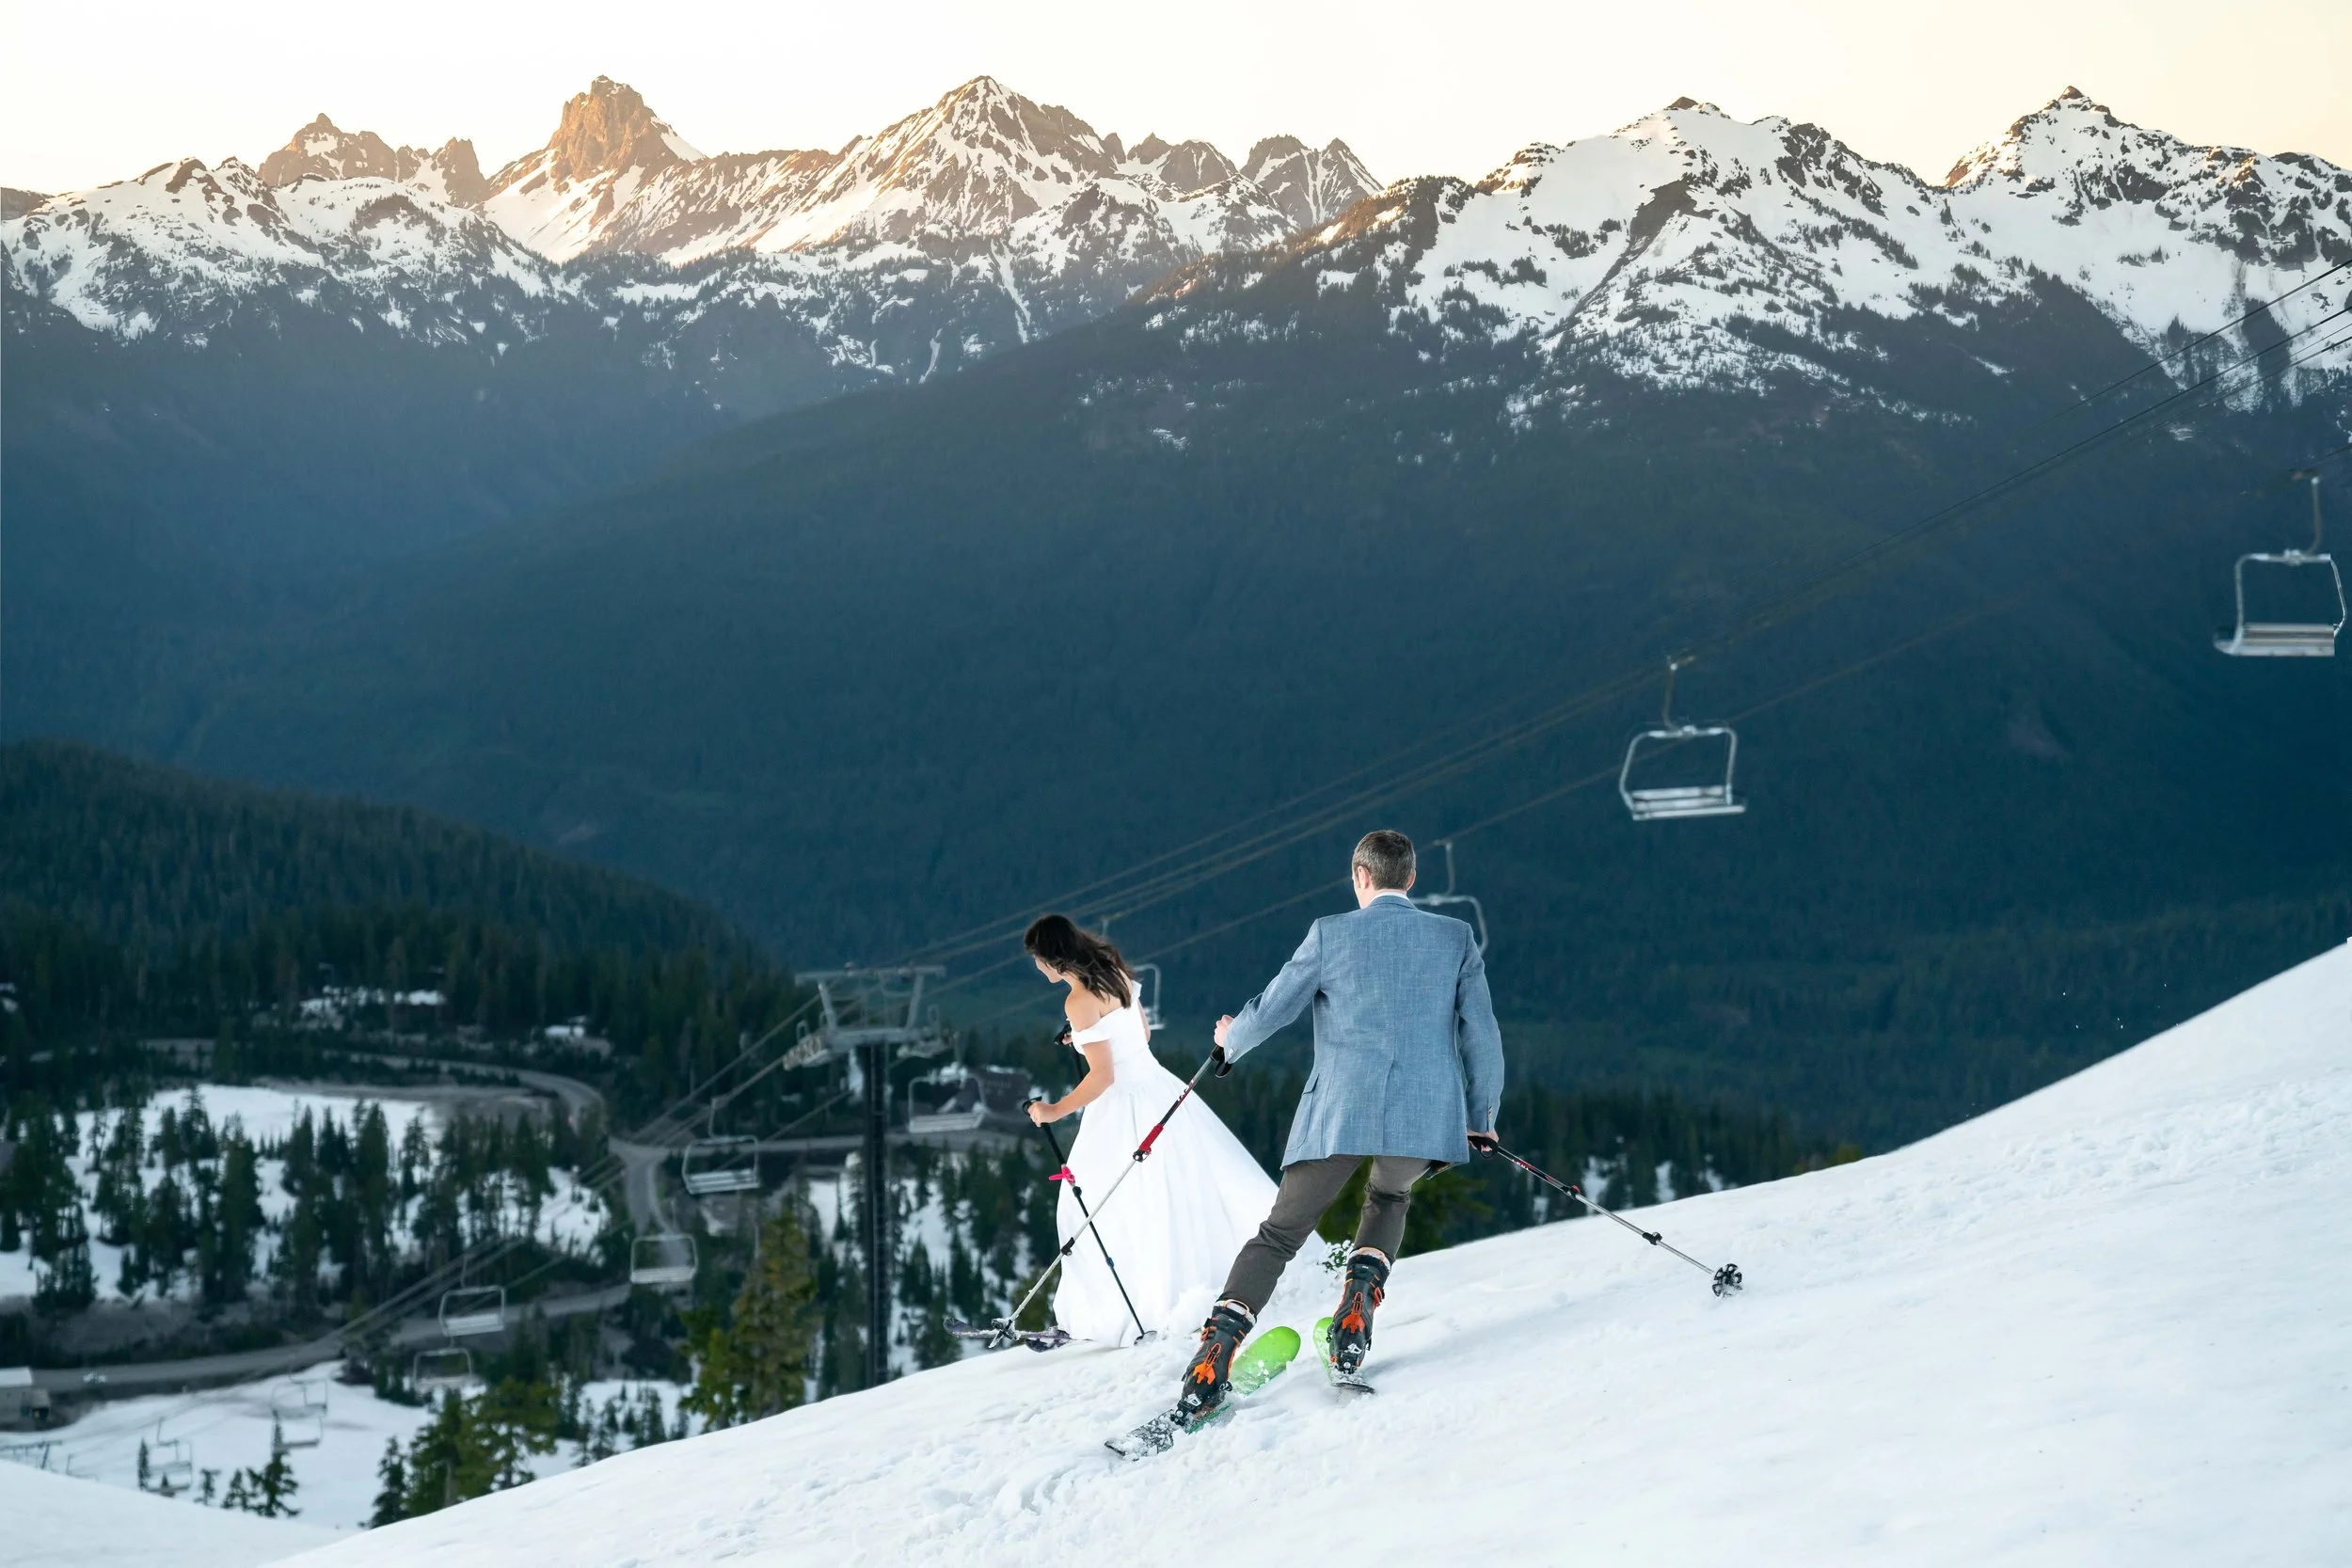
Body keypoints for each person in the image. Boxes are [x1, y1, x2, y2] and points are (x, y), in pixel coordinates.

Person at [1178, 829, 1504, 1417]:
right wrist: (1480, 1118)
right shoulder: (1455, 938)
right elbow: (1482, 1034)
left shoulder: (1331, 933)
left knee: (1280, 1235)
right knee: (1389, 1199)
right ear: (1410, 878)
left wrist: (1230, 1042)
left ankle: (1215, 1355)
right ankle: (1356, 1309)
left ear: (1360, 876)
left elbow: (1273, 1007)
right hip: (1425, 1115)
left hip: (1340, 1111)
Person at [1023, 914, 1276, 1345]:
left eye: (1037, 959)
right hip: (1158, 1089)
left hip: (1121, 1109)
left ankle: (1104, 1317)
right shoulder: (1114, 972)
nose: (1037, 967)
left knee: (1089, 1207)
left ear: (1051, 958)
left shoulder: (1078, 1000)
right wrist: (1084, 1038)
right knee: (1167, 1198)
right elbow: (1138, 1033)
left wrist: (1053, 1110)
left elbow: (1103, 1077)